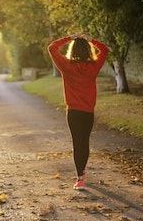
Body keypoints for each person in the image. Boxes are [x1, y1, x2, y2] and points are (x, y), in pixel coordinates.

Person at [47, 33, 110, 190]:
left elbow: (52, 48)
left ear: (72, 50)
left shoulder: (66, 66)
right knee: (84, 142)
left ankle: (80, 177)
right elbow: (105, 50)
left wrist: (69, 37)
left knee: (77, 143)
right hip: (88, 112)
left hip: (73, 112)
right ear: (88, 51)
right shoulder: (93, 67)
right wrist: (91, 40)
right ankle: (82, 172)